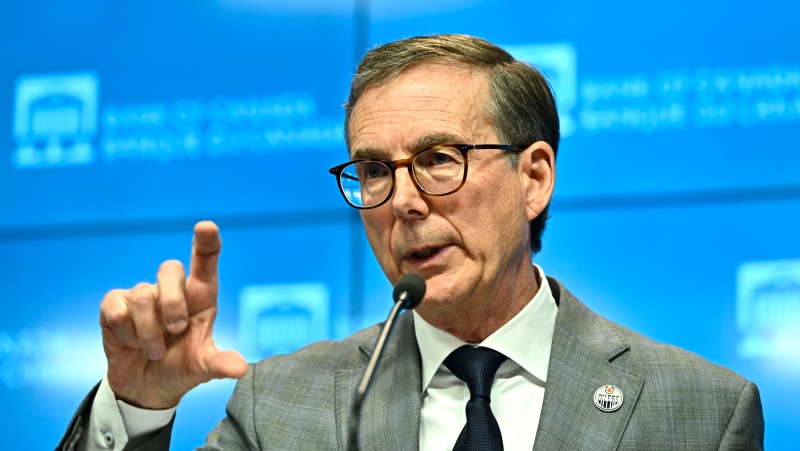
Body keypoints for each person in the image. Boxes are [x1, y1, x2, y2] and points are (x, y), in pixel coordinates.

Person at [59, 34, 764, 451]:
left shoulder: (700, 409)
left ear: (534, 177)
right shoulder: (283, 407)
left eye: (437, 158)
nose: (402, 200)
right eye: (373, 170)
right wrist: (136, 405)